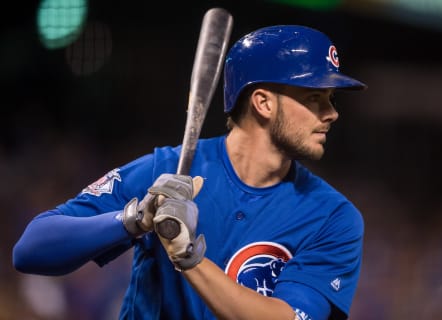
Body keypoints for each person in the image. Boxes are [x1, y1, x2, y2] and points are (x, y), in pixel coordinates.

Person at [13, 24, 367, 320]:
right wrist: (135, 219)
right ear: (263, 102)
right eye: (314, 98)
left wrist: (188, 256)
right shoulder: (166, 170)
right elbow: (32, 249)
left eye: (331, 100)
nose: (332, 113)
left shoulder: (333, 218)